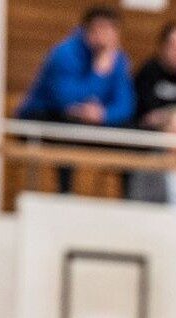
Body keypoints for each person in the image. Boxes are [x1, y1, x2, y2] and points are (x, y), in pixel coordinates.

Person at [15, 6, 135, 194]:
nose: (104, 37)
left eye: (110, 30)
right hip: (45, 115)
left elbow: (126, 105)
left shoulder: (118, 60)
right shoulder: (64, 53)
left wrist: (103, 115)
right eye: (100, 29)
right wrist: (99, 73)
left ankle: (130, 200)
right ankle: (65, 195)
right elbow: (65, 99)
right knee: (68, 129)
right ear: (87, 30)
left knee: (130, 135)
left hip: (90, 120)